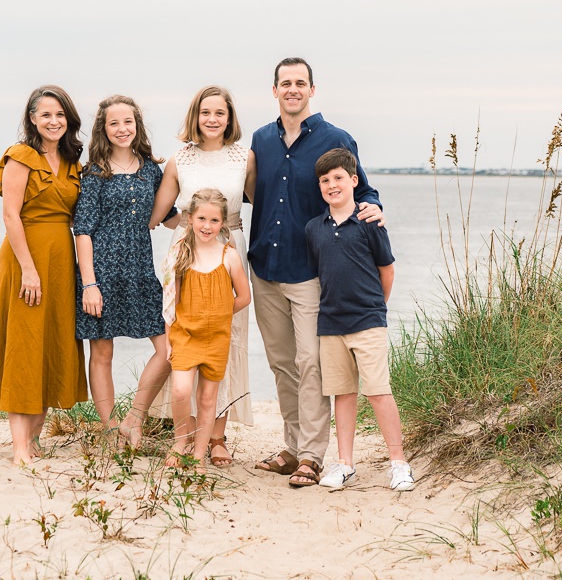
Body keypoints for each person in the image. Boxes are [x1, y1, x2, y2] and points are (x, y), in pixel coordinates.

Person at [247, 57, 385, 489]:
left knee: (311, 363)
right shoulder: (261, 140)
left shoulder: (334, 137)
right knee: (282, 363)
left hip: (308, 272)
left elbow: (362, 189)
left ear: (312, 89)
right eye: (285, 83)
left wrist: (375, 206)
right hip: (263, 268)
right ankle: (291, 448)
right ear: (274, 90)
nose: (292, 89)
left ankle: (312, 455)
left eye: (300, 83)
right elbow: (250, 194)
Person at [0, 87, 87, 465]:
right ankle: (19, 446)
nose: (54, 121)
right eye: (46, 115)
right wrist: (29, 270)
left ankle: (34, 437)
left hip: (61, 261)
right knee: (24, 344)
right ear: (32, 119)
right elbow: (10, 215)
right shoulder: (21, 156)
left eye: (60, 115)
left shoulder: (72, 161)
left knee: (50, 342)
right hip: (26, 260)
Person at [149, 84, 253, 462]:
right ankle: (188, 434)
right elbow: (158, 215)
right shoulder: (181, 160)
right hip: (189, 250)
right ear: (196, 116)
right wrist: (192, 229)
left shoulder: (245, 158)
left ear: (229, 118)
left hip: (230, 249)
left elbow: (269, 201)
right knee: (185, 335)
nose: (212, 119)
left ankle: (218, 436)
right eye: (205, 112)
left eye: (219, 113)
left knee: (228, 339)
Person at [308, 147, 412, 492]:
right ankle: (345, 463)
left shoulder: (370, 222)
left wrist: (376, 309)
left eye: (338, 178)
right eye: (325, 180)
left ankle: (398, 462)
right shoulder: (314, 228)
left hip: (367, 321)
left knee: (379, 391)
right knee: (343, 394)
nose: (332, 185)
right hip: (331, 324)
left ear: (354, 181)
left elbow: (388, 270)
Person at [72, 95, 168, 439]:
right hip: (100, 273)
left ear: (137, 125)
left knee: (169, 348)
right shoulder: (94, 173)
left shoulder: (151, 169)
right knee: (102, 350)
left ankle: (134, 418)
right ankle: (111, 428)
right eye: (114, 123)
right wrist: (89, 285)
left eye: (128, 122)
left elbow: (167, 216)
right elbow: (82, 230)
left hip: (140, 271)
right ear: (104, 129)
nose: (122, 129)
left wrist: (211, 225)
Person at [161, 191, 251, 467]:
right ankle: (180, 441)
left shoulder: (230, 256)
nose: (207, 226)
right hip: (185, 335)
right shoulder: (180, 254)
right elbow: (170, 300)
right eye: (201, 218)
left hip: (216, 338)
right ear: (190, 219)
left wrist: (220, 313)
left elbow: (244, 297)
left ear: (223, 223)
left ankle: (200, 451)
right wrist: (168, 341)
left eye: (214, 220)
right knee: (180, 391)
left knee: (208, 396)